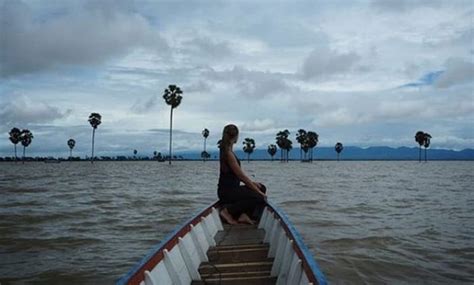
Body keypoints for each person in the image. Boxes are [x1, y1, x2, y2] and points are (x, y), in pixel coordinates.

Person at [217, 124, 267, 225]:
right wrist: (258, 192)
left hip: (231, 190)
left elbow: (235, 176)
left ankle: (244, 215)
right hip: (227, 192)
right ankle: (227, 211)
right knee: (259, 196)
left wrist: (254, 185)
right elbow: (241, 176)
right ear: (236, 136)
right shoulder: (228, 154)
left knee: (262, 187)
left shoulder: (227, 151)